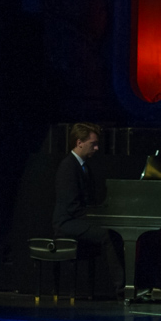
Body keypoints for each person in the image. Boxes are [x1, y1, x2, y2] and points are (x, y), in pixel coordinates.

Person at [52, 123, 125, 294]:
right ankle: (121, 288)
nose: (97, 148)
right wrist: (97, 219)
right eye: (93, 144)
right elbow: (72, 207)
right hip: (66, 223)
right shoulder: (68, 167)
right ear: (79, 143)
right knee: (107, 234)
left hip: (77, 219)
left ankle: (126, 284)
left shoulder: (83, 166)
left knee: (114, 232)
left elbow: (88, 202)